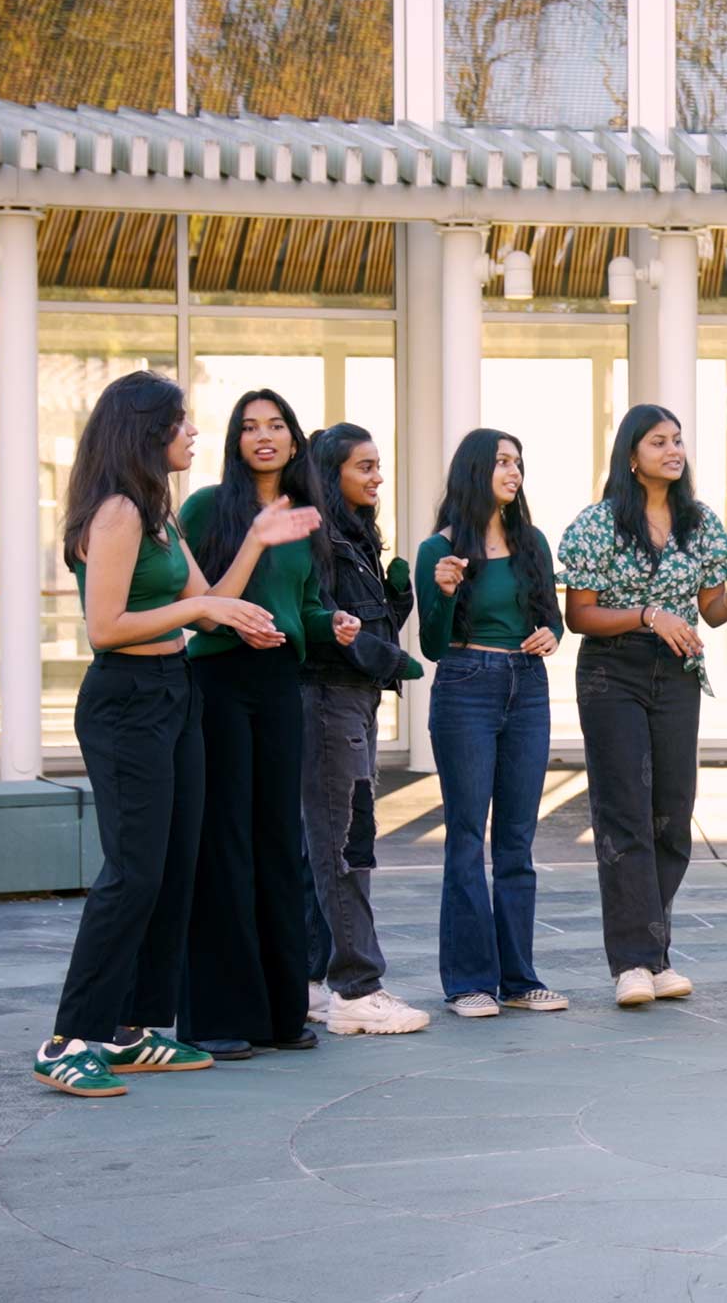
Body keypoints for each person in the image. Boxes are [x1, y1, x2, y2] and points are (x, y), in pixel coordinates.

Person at [34, 371, 299, 1096]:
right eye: (181, 423)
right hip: (126, 701)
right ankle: (71, 1038)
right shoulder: (117, 512)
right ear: (147, 432)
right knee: (134, 873)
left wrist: (256, 543)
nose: (193, 434)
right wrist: (204, 610)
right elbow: (106, 627)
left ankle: (135, 1030)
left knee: (175, 866)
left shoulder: (158, 511)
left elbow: (206, 603)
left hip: (174, 693)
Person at [560, 405, 727, 1008]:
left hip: (677, 676)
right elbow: (578, 616)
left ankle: (654, 955)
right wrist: (649, 615)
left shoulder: (702, 524)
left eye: (678, 440)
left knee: (671, 817)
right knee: (625, 813)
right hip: (613, 672)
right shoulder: (597, 524)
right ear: (632, 456)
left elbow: (710, 610)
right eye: (659, 441)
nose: (673, 450)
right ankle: (633, 962)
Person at [177, 389, 343, 1060]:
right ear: (235, 440)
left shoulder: (308, 519)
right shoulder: (204, 508)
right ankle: (220, 1014)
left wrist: (328, 624)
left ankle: (280, 1012)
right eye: (249, 427)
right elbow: (195, 609)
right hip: (218, 681)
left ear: (296, 440)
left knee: (279, 844)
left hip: (280, 686)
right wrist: (239, 615)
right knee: (225, 845)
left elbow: (298, 609)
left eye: (276, 426)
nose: (263, 436)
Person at [417, 428, 567, 1018]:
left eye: (519, 462)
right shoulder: (441, 549)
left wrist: (550, 633)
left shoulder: (532, 542)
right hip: (466, 686)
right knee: (465, 837)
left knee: (516, 842)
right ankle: (467, 983)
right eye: (502, 461)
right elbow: (433, 645)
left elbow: (553, 620)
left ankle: (518, 977)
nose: (513, 470)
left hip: (528, 686)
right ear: (475, 470)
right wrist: (445, 592)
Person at [299, 422, 433, 1036]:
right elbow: (332, 631)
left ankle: (314, 983)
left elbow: (367, 624)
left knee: (324, 846)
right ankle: (356, 988)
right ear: (334, 473)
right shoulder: (319, 538)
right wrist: (392, 660)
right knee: (344, 846)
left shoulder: (354, 538)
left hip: (352, 704)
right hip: (331, 704)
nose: (377, 476)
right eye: (365, 467)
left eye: (379, 466)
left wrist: (401, 599)